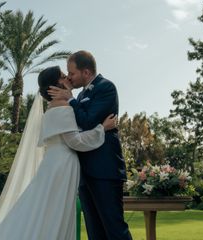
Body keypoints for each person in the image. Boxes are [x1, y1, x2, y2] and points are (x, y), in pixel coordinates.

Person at [0, 66, 117, 240]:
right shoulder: (62, 106)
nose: (69, 78)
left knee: (47, 209)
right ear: (55, 86)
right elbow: (74, 141)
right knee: (56, 212)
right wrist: (102, 128)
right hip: (62, 164)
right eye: (64, 76)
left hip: (55, 163)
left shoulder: (53, 106)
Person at [48, 51, 133, 240]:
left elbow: (87, 122)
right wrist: (72, 99)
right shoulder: (79, 97)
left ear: (86, 72)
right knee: (95, 232)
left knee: (114, 229)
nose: (69, 77)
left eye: (71, 73)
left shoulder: (105, 88)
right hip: (85, 174)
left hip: (105, 170)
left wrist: (70, 99)